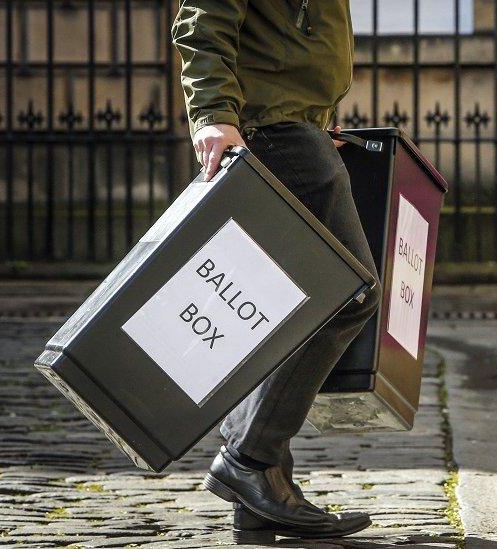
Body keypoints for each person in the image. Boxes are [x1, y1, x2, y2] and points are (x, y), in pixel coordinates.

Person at [172, 0, 380, 542]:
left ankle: (263, 491)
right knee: (348, 292)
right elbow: (205, 18)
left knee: (285, 308)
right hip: (271, 128)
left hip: (295, 124)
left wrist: (314, 115)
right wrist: (214, 114)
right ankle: (248, 458)